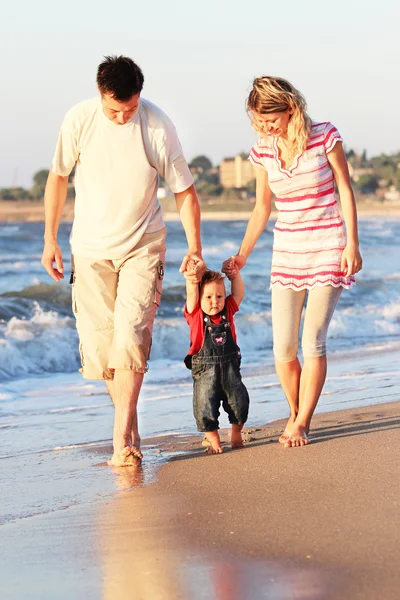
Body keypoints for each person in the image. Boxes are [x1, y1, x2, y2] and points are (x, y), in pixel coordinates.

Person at [41, 55, 205, 466]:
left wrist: (195, 247)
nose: (123, 116)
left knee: (130, 337)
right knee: (102, 349)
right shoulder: (79, 120)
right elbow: (58, 177)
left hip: (143, 245)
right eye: (115, 109)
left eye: (130, 108)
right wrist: (50, 239)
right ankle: (129, 428)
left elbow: (184, 191)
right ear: (101, 94)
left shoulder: (156, 125)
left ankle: (121, 441)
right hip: (91, 250)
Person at [223, 75, 362, 448]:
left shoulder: (325, 136)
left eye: (270, 120)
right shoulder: (264, 151)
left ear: (290, 109)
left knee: (312, 340)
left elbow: (345, 190)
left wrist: (353, 245)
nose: (265, 127)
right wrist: (242, 254)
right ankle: (295, 412)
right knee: (282, 348)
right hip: (287, 251)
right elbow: (261, 208)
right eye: (258, 121)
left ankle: (301, 422)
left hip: (328, 246)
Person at [184, 265, 250, 454]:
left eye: (219, 296)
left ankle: (236, 433)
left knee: (239, 402)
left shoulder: (228, 310)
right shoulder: (195, 313)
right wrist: (192, 276)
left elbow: (238, 293)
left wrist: (234, 275)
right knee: (204, 406)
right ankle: (213, 439)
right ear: (200, 298)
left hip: (230, 369)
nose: (215, 302)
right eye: (209, 297)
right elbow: (191, 294)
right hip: (205, 372)